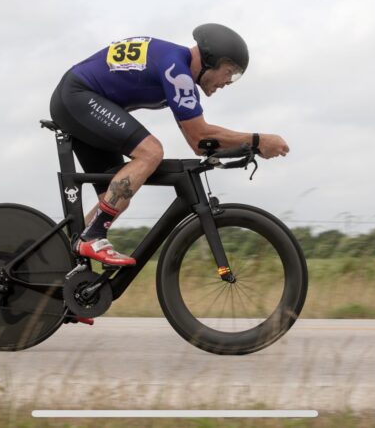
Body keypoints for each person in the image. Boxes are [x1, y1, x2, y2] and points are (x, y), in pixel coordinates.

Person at [49, 23, 290, 266]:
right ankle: (91, 237)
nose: (228, 81)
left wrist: (249, 148)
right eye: (229, 72)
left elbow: (199, 144)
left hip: (83, 101)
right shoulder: (176, 70)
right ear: (210, 60)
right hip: (77, 96)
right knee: (151, 152)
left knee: (116, 197)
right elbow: (200, 134)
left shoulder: (178, 71)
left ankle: (61, 261)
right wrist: (258, 140)